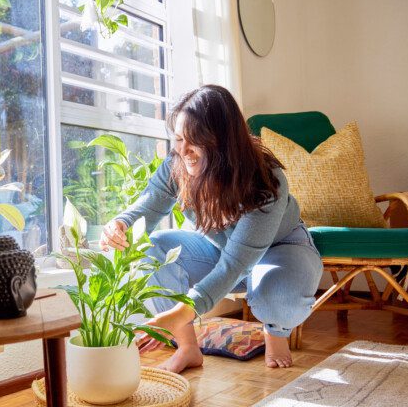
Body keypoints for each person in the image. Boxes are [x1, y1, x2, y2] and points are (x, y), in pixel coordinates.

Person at [99, 85, 323, 371]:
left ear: (224, 141)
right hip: (220, 249)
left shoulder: (266, 181)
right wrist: (121, 224)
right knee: (150, 250)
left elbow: (235, 265)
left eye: (195, 141)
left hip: (281, 248)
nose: (184, 150)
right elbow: (148, 206)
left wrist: (179, 312)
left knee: (277, 298)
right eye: (179, 139)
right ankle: (188, 348)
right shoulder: (177, 164)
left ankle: (275, 331)